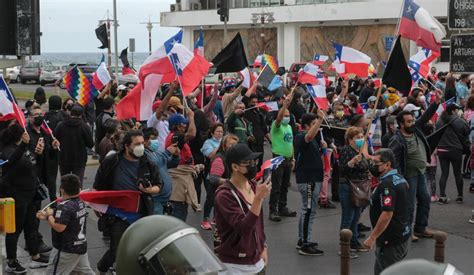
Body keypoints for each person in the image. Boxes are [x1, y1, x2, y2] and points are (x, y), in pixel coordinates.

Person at [93, 129, 162, 274]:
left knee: (143, 248)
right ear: (127, 146)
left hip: (141, 214)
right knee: (117, 249)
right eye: (137, 144)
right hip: (117, 215)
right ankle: (102, 268)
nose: (141, 147)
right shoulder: (112, 161)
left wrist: (148, 190)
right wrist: (97, 205)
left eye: (143, 143)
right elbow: (98, 186)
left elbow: (158, 186)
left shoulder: (148, 163)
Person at [389, 91, 441, 241]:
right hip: (408, 176)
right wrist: (400, 178)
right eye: (409, 121)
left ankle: (421, 228)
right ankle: (407, 230)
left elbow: (425, 117)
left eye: (412, 120)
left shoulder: (415, 129)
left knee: (425, 199)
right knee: (409, 205)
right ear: (401, 124)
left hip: (420, 172)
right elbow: (394, 160)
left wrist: (436, 103)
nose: (412, 123)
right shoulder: (397, 139)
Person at [214, 143, 270, 274]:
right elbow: (243, 228)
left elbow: (258, 223)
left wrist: (263, 246)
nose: (253, 166)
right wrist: (258, 199)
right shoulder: (224, 195)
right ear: (235, 167)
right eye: (248, 163)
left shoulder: (252, 185)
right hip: (235, 266)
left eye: (254, 161)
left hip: (257, 262)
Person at [1, 124, 49, 273]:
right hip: (17, 196)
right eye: (23, 134)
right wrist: (24, 145)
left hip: (30, 195)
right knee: (15, 230)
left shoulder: (25, 149)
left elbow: (33, 165)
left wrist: (39, 154)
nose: (26, 135)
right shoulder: (7, 151)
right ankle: (11, 261)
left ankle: (35, 255)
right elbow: (12, 162)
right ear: (18, 136)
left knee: (31, 226)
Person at [363, 149, 410, 275]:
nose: (372, 166)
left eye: (376, 163)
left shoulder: (387, 185)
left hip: (390, 241)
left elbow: (387, 214)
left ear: (388, 165)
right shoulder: (399, 178)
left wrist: (372, 237)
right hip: (401, 235)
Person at [36, 174, 94, 275]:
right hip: (80, 246)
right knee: (85, 272)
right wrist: (48, 216)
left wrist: (49, 216)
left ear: (62, 190)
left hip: (66, 249)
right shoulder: (81, 203)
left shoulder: (65, 206)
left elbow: (59, 227)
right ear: (79, 189)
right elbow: (68, 218)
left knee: (53, 272)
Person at [294, 111, 326, 256]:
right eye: (314, 124)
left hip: (313, 179)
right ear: (306, 126)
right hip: (308, 180)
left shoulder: (313, 139)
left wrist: (323, 148)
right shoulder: (302, 136)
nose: (317, 126)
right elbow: (309, 136)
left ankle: (303, 239)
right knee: (308, 210)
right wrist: (320, 118)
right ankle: (305, 243)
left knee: (307, 210)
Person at [338, 127, 370, 258]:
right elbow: (342, 169)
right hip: (348, 186)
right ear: (350, 140)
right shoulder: (346, 150)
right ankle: (344, 246)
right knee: (348, 216)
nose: (360, 139)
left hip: (359, 186)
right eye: (357, 138)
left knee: (356, 216)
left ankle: (354, 241)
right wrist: (351, 163)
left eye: (362, 137)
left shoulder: (360, 151)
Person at [269, 91, 297, 222]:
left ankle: (282, 207)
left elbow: (291, 143)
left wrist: (293, 158)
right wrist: (284, 106)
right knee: (276, 186)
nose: (287, 117)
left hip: (287, 159)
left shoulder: (289, 127)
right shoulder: (276, 126)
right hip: (278, 158)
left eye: (289, 115)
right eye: (285, 115)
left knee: (285, 185)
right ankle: (273, 210)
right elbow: (279, 118)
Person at [436, 103, 469, 204]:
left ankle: (442, 196)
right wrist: (462, 118)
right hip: (455, 149)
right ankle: (460, 196)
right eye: (457, 109)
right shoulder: (458, 120)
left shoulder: (439, 120)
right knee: (457, 173)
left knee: (444, 173)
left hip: (442, 149)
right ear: (454, 111)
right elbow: (466, 131)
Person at [142, 127, 180, 215]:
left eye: (156, 138)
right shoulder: (144, 153)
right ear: (144, 140)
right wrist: (167, 152)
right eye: (153, 139)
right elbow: (155, 163)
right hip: (155, 200)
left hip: (165, 199)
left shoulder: (157, 152)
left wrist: (175, 156)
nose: (156, 141)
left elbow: (171, 164)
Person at [54, 105, 94, 183]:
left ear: (70, 113)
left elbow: (54, 138)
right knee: (77, 183)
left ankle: (63, 194)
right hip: (79, 159)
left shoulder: (61, 125)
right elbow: (90, 144)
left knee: (64, 182)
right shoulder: (84, 127)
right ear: (81, 115)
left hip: (64, 158)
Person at [200, 123, 225, 230]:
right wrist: (221, 146)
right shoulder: (208, 143)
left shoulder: (225, 142)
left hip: (224, 173)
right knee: (211, 197)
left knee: (221, 196)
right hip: (212, 174)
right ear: (212, 133)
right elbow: (210, 155)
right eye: (218, 131)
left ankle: (216, 217)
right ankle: (205, 219)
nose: (220, 134)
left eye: (221, 132)